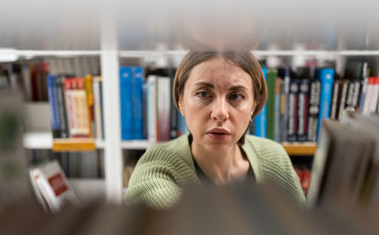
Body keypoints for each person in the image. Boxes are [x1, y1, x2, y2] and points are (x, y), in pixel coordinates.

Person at [124, 51, 305, 209]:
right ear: (181, 102)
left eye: (236, 96)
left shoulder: (274, 157)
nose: (220, 113)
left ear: (253, 107)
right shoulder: (155, 169)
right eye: (203, 94)